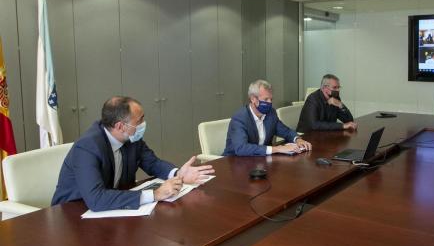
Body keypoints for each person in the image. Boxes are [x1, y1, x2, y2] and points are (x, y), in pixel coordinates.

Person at [52, 96, 215, 212]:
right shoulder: (87, 147)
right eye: (139, 121)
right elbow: (96, 199)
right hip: (74, 214)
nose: (143, 124)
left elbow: (152, 163)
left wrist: (178, 173)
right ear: (121, 126)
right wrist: (155, 194)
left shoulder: (131, 138)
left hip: (114, 208)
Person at [223, 79, 312, 156]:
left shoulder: (270, 113)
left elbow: (286, 131)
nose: (269, 103)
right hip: (234, 163)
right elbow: (242, 148)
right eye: (266, 99)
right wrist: (277, 149)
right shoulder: (240, 118)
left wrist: (298, 140)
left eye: (271, 99)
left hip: (258, 161)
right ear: (253, 99)